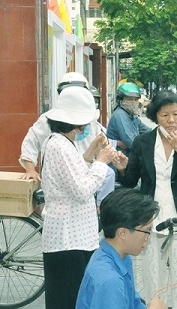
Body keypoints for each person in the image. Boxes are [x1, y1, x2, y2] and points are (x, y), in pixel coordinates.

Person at [39, 85, 125, 309]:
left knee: (74, 305)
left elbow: (75, 177)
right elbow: (81, 189)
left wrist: (90, 156)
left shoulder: (62, 143)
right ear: (77, 120)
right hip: (67, 239)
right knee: (65, 308)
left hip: (72, 236)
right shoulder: (59, 146)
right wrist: (101, 163)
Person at [116, 90, 177, 309]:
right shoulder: (143, 142)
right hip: (149, 219)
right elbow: (131, 179)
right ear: (155, 116)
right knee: (151, 273)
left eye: (175, 114)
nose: (171, 119)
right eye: (164, 114)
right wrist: (122, 168)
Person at [19, 72, 117, 208]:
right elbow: (31, 142)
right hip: (67, 192)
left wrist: (101, 149)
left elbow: (90, 153)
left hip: (87, 181)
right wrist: (30, 169)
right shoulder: (58, 141)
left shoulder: (90, 120)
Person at [107, 82, 151, 156]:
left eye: (136, 99)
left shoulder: (132, 115)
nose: (133, 102)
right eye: (129, 99)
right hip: (118, 161)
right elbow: (131, 141)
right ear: (121, 100)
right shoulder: (120, 115)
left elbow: (147, 131)